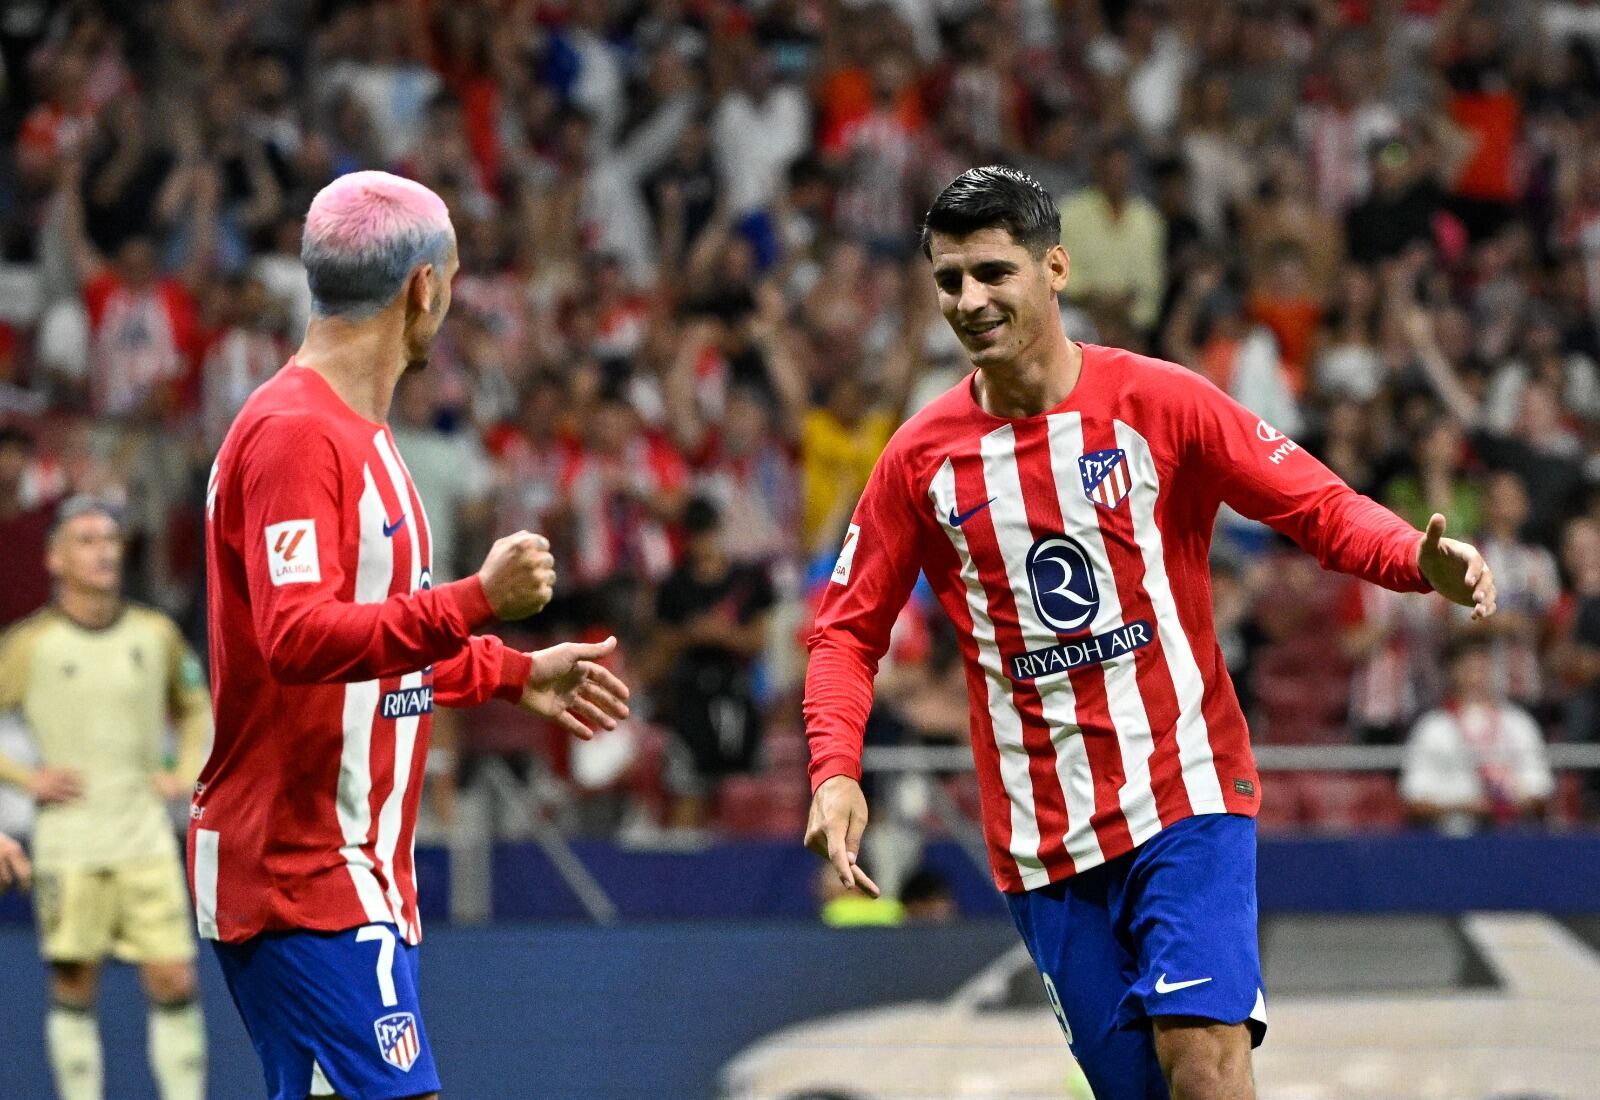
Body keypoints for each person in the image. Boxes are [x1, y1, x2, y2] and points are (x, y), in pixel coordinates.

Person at [802, 167, 1496, 1100]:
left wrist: (1417, 558)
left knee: (1205, 1066)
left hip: (1186, 790)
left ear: (1056, 268)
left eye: (994, 273)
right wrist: (836, 769)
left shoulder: (1161, 402)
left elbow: (1319, 508)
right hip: (1042, 841)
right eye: (950, 280)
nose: (971, 300)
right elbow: (846, 632)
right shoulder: (918, 459)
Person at [192, 171, 631, 1100]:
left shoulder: (361, 434)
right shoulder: (293, 436)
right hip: (303, 871)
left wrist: (511, 674)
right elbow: (298, 639)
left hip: (345, 867)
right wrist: (477, 600)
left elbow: (369, 657)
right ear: (424, 288)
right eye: (454, 281)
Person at [0, 496, 212, 1100]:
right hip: (69, 838)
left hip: (145, 834)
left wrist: (187, 766)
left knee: (174, 978)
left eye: (112, 538)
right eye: (88, 539)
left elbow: (195, 702)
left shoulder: (156, 633)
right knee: (73, 981)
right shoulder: (30, 644)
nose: (104, 550)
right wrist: (25, 777)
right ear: (55, 557)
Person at [1400, 635, 1553, 834]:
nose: (1476, 677)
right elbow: (1415, 798)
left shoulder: (1518, 723)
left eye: (1483, 668)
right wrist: (1465, 806)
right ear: (1453, 672)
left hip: (1511, 839)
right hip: (1450, 839)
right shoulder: (1433, 727)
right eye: (1469, 668)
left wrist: (1502, 804)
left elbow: (1539, 791)